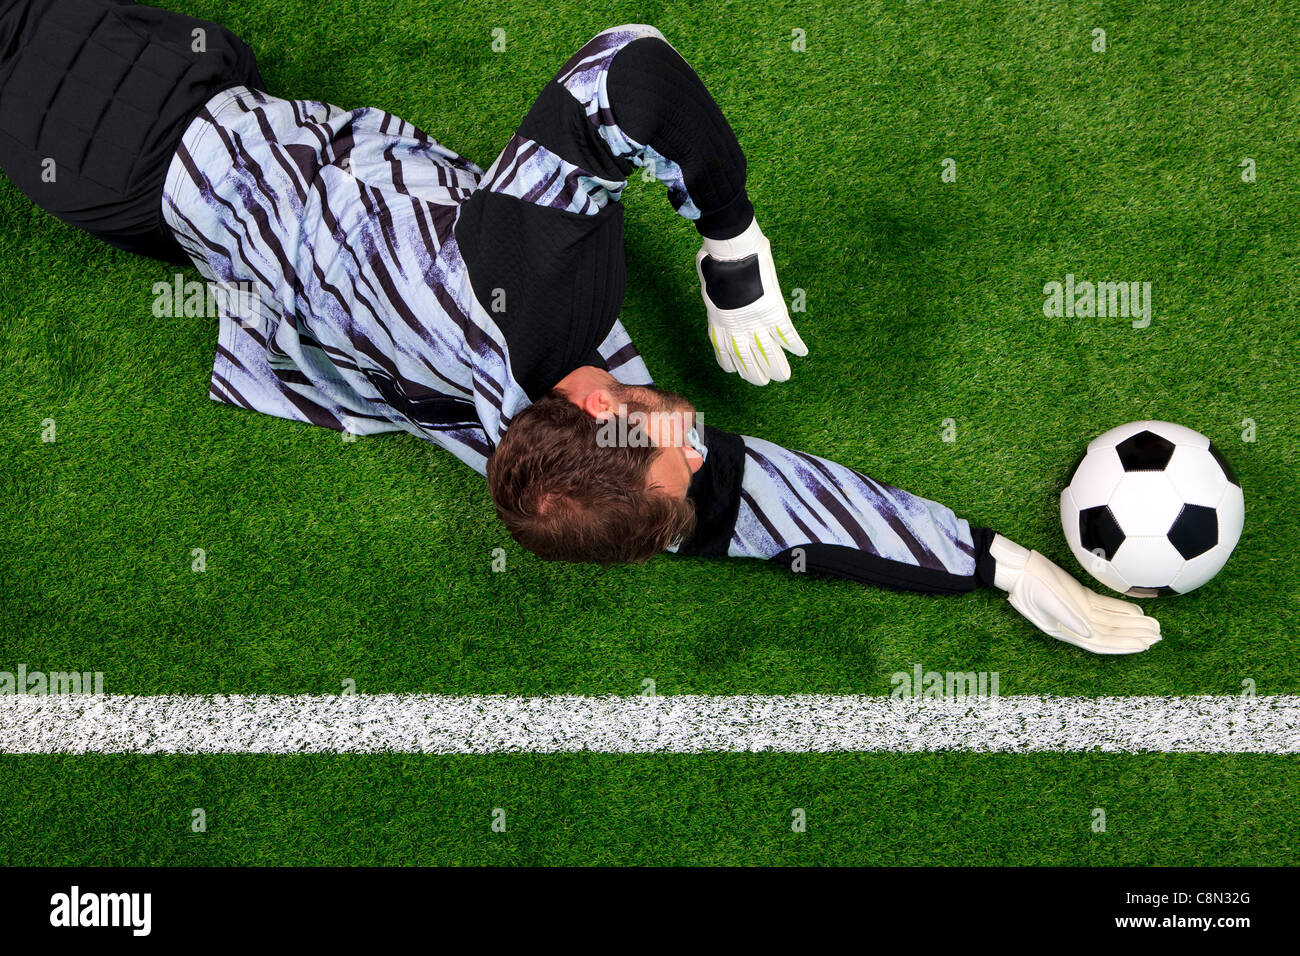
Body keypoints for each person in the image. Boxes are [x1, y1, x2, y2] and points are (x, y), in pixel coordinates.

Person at [0, 1, 1161, 654]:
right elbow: (751, 513)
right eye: (683, 461)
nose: (706, 445)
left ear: (594, 408)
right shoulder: (512, 446)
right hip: (143, 174)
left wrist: (732, 241)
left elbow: (629, 67)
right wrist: (982, 560)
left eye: (674, 449)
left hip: (137, 125)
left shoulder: (532, 286)